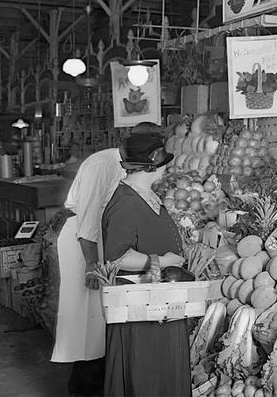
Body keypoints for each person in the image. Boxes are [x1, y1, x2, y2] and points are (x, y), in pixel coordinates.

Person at [51, 122, 165, 397]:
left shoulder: (128, 166)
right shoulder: (105, 164)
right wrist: (91, 264)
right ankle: (83, 387)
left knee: (103, 318)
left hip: (100, 237)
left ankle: (102, 383)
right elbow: (88, 219)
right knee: (88, 320)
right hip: (84, 240)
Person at [102, 132, 189, 397]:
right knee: (148, 371)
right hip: (140, 310)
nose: (167, 167)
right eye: (163, 162)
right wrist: (162, 261)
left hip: (158, 299)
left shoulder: (144, 194)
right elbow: (115, 258)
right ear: (152, 164)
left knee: (163, 368)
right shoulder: (125, 204)